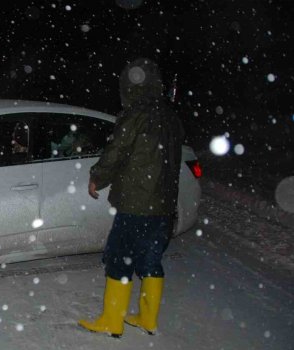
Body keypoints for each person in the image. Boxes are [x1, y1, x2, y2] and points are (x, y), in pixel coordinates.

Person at [78, 58, 185, 338]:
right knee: (151, 260)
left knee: (120, 257)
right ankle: (148, 319)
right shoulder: (170, 116)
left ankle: (112, 320)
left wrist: (97, 177)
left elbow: (117, 151)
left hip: (136, 203)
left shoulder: (136, 114)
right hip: (162, 205)